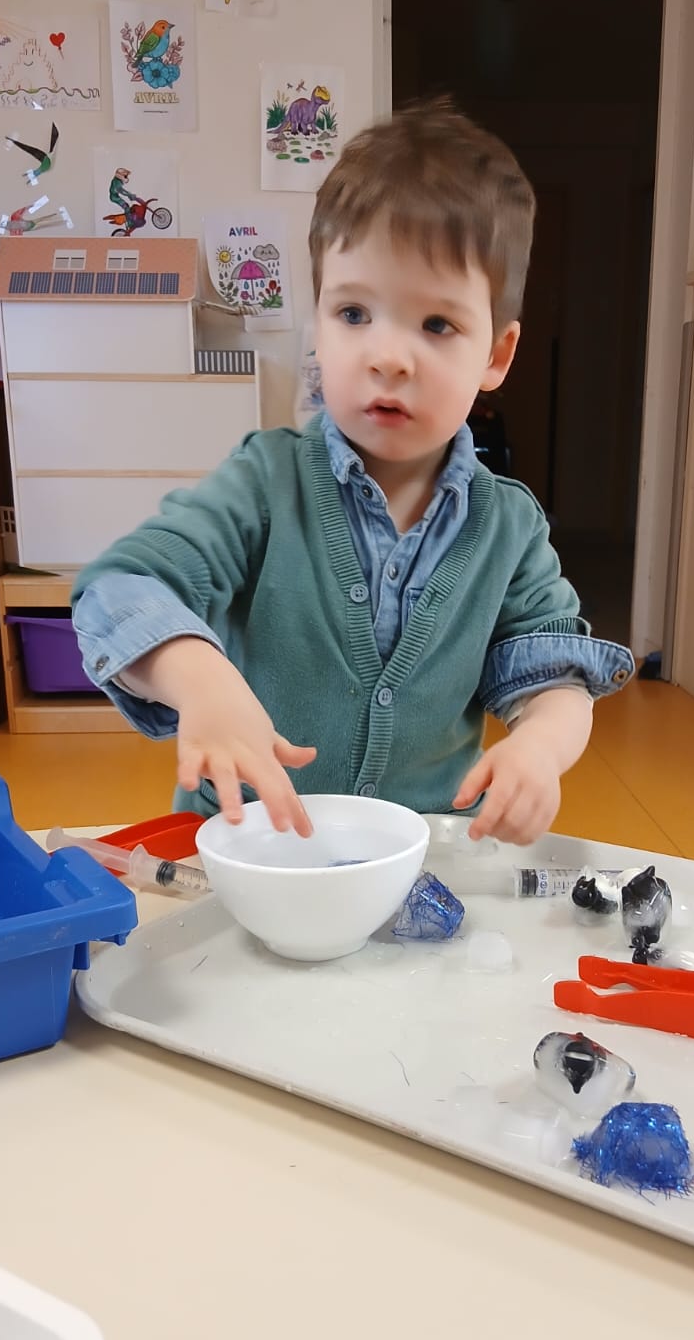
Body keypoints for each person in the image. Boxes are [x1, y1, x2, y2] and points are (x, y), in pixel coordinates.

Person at [72, 100, 634, 845]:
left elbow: (554, 672)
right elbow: (119, 591)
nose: (388, 357)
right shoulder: (265, 483)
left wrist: (540, 748)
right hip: (250, 849)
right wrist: (202, 683)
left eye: (437, 324)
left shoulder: (509, 527)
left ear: (496, 355)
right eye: (354, 314)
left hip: (422, 858)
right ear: (319, 322)